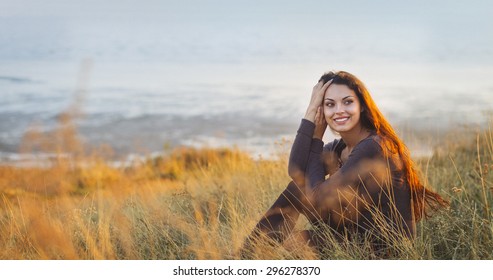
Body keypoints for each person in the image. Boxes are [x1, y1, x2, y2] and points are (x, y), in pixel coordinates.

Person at [242, 70, 448, 257]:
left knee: (298, 241)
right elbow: (296, 171)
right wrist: (310, 112)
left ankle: (244, 259)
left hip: (385, 252)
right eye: (329, 104)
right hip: (352, 235)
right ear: (322, 111)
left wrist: (315, 140)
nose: (339, 110)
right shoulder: (337, 149)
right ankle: (245, 258)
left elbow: (317, 197)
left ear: (362, 106)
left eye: (347, 102)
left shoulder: (374, 147)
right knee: (297, 192)